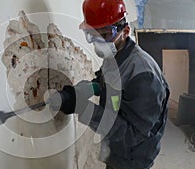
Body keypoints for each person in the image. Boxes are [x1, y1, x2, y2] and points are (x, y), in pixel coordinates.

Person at [49, 0, 170, 169]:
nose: (98, 42)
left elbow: (132, 135)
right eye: (92, 35)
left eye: (105, 35)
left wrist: (83, 108)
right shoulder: (115, 56)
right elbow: (105, 81)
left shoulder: (143, 76)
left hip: (133, 158)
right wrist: (85, 90)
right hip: (117, 149)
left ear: (125, 31)